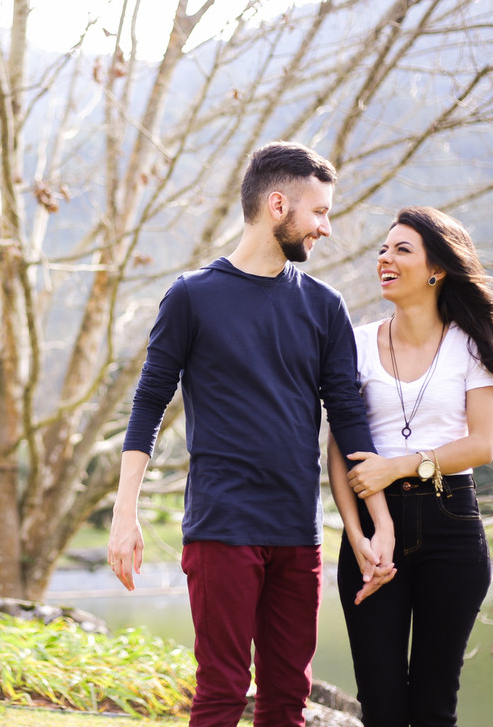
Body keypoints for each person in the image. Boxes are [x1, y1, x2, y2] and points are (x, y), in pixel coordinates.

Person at [107, 141, 390, 727]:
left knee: (288, 698)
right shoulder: (192, 296)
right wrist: (124, 512)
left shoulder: (324, 307)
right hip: (222, 527)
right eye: (319, 212)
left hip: (298, 532)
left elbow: (348, 418)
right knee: (222, 691)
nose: (326, 228)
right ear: (278, 204)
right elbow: (149, 403)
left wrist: (370, 524)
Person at [328, 206, 493, 727]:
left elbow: (481, 445)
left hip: (452, 526)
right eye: (382, 249)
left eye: (401, 250)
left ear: (437, 268)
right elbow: (338, 447)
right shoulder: (354, 343)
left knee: (434, 705)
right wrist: (356, 535)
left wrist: (398, 467)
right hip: (372, 528)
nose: (384, 259)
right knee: (381, 704)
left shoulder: (472, 346)